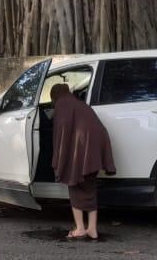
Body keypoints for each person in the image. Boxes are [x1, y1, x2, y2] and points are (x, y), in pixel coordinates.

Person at [50, 82, 115, 241]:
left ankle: (80, 228)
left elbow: (62, 132)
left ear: (55, 96)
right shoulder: (80, 104)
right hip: (97, 146)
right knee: (90, 187)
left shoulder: (61, 105)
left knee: (74, 185)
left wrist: (58, 159)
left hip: (80, 148)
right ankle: (92, 229)